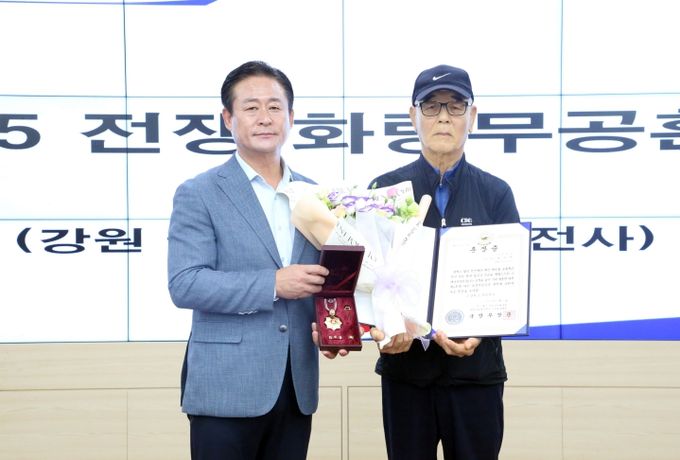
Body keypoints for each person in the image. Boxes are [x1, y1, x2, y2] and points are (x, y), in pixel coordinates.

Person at [167, 60, 343, 460]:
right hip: (226, 386)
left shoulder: (318, 196)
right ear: (228, 119)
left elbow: (327, 281)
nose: (265, 117)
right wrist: (273, 283)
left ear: (291, 117)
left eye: (275, 107)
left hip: (295, 384)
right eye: (251, 107)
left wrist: (334, 327)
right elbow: (185, 283)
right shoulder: (199, 192)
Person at [369, 64, 520, 460]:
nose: (443, 117)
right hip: (407, 372)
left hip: (475, 374)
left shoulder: (496, 193)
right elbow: (368, 275)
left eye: (455, 106)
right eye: (431, 106)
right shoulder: (385, 191)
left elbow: (508, 282)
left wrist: (480, 333)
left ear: (472, 116)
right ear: (412, 116)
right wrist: (380, 326)